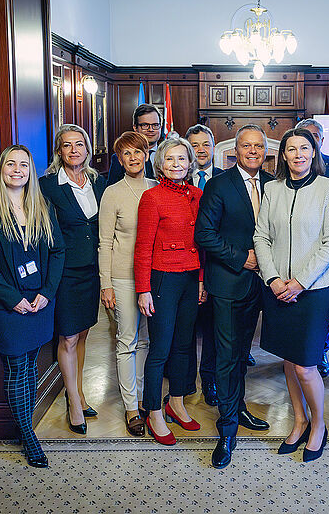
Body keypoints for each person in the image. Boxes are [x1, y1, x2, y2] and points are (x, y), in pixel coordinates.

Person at [0, 145, 64, 468]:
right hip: (5, 305)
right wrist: (12, 299)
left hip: (40, 301)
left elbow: (57, 252)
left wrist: (48, 292)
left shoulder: (43, 206)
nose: (18, 170)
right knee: (15, 367)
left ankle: (25, 427)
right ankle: (28, 433)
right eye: (11, 164)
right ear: (1, 170)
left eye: (24, 165)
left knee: (30, 366)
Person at [253, 128, 329, 462]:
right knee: (289, 362)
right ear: (283, 156)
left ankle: (319, 424)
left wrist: (300, 282)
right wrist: (274, 278)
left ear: (314, 151)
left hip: (314, 290)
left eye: (304, 148)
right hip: (277, 290)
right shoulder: (272, 189)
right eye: (291, 149)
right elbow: (261, 237)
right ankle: (299, 419)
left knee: (306, 366)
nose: (298, 155)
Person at [195, 124, 273, 469]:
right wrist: (242, 258)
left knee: (243, 353)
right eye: (246, 146)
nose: (252, 151)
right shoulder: (218, 185)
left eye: (258, 146)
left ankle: (237, 407)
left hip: (266, 284)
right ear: (235, 151)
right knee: (226, 356)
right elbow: (204, 235)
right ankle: (226, 430)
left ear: (265, 149)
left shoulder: (275, 184)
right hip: (229, 281)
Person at [134, 137, 204, 445]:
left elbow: (202, 242)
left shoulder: (198, 194)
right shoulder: (152, 197)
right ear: (160, 164)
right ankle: (153, 409)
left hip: (191, 279)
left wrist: (201, 280)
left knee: (184, 346)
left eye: (182, 159)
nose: (176, 164)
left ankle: (176, 402)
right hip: (162, 279)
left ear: (191, 163)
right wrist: (142, 289)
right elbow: (142, 247)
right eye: (170, 159)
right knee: (160, 349)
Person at [39, 124, 106, 435]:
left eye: (79, 144)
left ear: (87, 149)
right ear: (59, 151)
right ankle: (73, 403)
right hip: (65, 273)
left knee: (82, 335)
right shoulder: (47, 186)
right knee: (67, 337)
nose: (74, 150)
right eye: (67, 145)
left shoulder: (98, 182)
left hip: (92, 271)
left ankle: (77, 391)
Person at [99, 131, 158, 437]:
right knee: (127, 341)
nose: (133, 158)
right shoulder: (113, 192)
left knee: (149, 341)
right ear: (119, 160)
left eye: (138, 152)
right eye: (126, 154)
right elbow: (104, 242)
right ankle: (131, 407)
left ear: (147, 154)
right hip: (123, 276)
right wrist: (105, 284)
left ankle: (148, 399)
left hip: (154, 276)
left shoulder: (157, 186)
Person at [294, 118, 329, 378]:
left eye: (315, 136)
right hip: (296, 255)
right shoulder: (288, 175)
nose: (310, 141)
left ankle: (320, 353)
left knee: (324, 316)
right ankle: (297, 355)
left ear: (321, 141)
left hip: (328, 256)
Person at [185, 123, 224, 406]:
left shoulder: (224, 180)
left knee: (211, 331)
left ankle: (209, 380)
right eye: (195, 145)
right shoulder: (174, 180)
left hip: (215, 266)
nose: (201, 150)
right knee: (184, 329)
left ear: (214, 147)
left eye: (205, 144)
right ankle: (184, 383)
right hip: (182, 267)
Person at [105, 104, 163, 188]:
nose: (151, 129)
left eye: (155, 125)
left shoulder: (167, 154)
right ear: (135, 128)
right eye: (145, 125)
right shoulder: (120, 157)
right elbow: (112, 189)